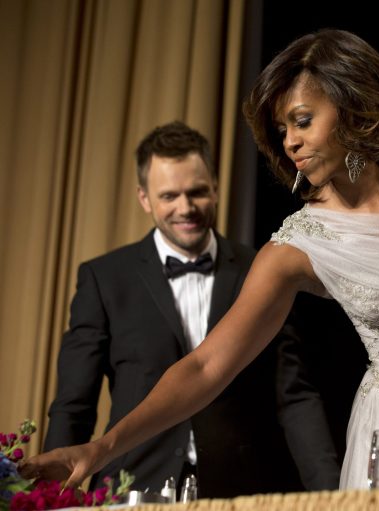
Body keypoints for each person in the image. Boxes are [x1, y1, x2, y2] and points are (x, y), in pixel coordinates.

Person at [22, 28, 379, 490]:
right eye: (281, 129)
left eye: (301, 120)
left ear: (353, 104)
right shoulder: (300, 244)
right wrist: (101, 447)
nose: (289, 141)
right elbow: (205, 366)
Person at [42, 121, 317, 496]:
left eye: (197, 192)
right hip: (130, 487)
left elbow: (294, 396)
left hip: (241, 489)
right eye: (169, 196)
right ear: (144, 198)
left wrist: (332, 490)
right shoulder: (103, 278)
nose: (185, 208)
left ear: (216, 189)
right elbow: (74, 404)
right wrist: (48, 496)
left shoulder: (264, 270)